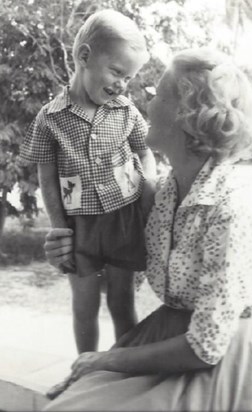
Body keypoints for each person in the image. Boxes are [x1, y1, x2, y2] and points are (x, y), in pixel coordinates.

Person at [42, 47, 252, 411]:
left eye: (158, 96)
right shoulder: (163, 191)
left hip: (215, 356)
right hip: (167, 335)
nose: (145, 105)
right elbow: (118, 248)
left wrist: (105, 359)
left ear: (185, 115)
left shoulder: (230, 208)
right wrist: (64, 249)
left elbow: (205, 346)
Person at [20, 9, 157, 358]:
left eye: (128, 78)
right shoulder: (50, 117)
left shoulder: (125, 110)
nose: (121, 84)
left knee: (122, 300)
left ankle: (123, 369)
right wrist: (58, 227)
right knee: (83, 304)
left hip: (124, 218)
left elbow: (146, 152)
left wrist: (149, 189)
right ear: (84, 57)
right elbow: (46, 174)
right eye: (116, 71)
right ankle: (84, 370)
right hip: (78, 225)